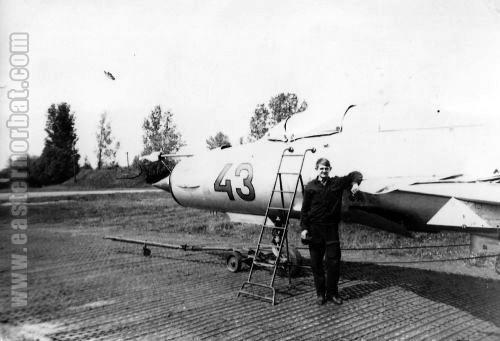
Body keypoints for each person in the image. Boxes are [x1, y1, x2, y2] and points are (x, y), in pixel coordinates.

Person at [300, 157, 362, 306]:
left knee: (333, 263)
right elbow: (304, 210)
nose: (324, 171)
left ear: (330, 169)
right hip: (314, 230)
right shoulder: (310, 187)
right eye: (321, 168)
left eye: (326, 168)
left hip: (331, 230)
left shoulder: (336, 183)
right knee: (316, 264)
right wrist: (304, 228)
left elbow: (355, 174)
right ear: (317, 169)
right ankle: (320, 294)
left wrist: (354, 183)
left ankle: (333, 293)